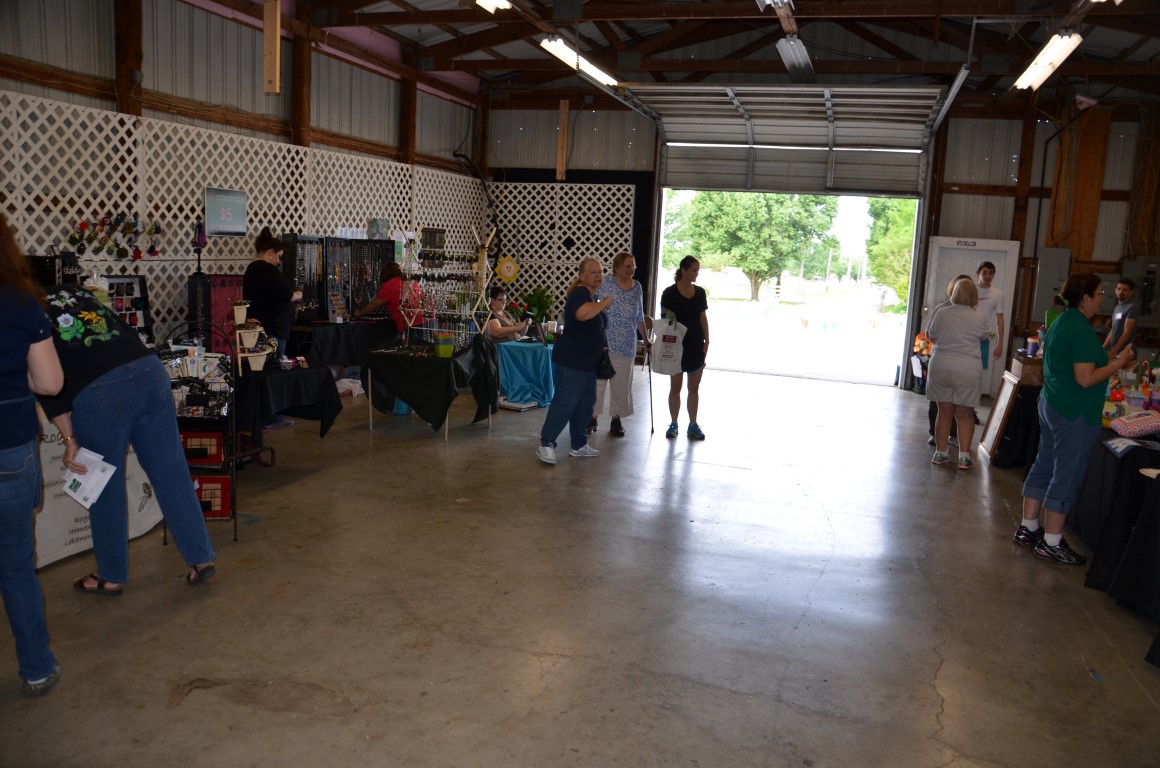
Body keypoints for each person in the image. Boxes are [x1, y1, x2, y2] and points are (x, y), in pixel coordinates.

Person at [38, 284, 218, 594]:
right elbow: (123, 331)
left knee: (104, 484)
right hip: (149, 371)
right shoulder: (74, 291)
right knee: (171, 471)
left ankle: (111, 576)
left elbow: (47, 385)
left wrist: (68, 438)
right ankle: (201, 557)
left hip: (99, 389)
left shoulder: (22, 311)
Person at [1013, 274, 1136, 564]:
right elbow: (1085, 378)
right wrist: (1119, 364)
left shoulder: (1061, 321)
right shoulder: (1079, 328)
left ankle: (1028, 526)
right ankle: (1052, 541)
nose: (1103, 298)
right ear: (1086, 298)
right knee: (1066, 474)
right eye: (1100, 293)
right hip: (1074, 411)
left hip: (1053, 402)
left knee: (1044, 464)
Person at [0, 214, 65, 697]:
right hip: (10, 447)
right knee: (16, 563)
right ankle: (37, 667)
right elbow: (50, 383)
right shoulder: (21, 303)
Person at [537, 258, 611, 465]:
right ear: (581, 276)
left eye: (600, 271)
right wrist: (605, 302)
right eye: (593, 272)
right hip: (572, 361)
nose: (598, 275)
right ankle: (546, 443)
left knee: (585, 404)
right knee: (565, 403)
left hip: (587, 363)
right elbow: (582, 314)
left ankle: (578, 444)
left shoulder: (591, 297)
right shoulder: (580, 294)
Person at [926, 278, 990, 469]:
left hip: (941, 365)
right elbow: (985, 336)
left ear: (953, 293)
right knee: (965, 414)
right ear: (974, 296)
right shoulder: (979, 316)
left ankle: (940, 453)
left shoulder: (941, 312)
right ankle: (963, 457)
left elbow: (931, 336)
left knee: (944, 411)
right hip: (967, 369)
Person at [590, 252, 648, 438]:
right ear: (616, 267)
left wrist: (646, 339)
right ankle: (592, 417)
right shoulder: (605, 283)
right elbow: (591, 306)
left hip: (626, 344)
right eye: (627, 266)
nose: (632, 269)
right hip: (603, 343)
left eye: (633, 266)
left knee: (622, 385)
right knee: (598, 383)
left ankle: (616, 420)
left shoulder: (637, 287)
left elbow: (640, 317)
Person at [660, 256, 710, 440]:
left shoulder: (700, 292)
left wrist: (707, 340)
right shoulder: (669, 293)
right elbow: (664, 318)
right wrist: (670, 318)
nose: (697, 273)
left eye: (698, 270)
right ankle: (673, 423)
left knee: (694, 388)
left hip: (695, 344)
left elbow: (702, 317)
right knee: (675, 387)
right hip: (675, 345)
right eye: (694, 270)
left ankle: (693, 424)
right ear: (684, 270)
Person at [925, 274, 971, 446]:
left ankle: (954, 436)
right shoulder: (941, 308)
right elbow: (929, 333)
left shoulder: (973, 311)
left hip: (960, 363)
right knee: (939, 403)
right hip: (944, 360)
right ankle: (935, 434)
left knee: (960, 403)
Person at [243, 227, 301, 360]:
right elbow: (287, 294)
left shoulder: (252, 269)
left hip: (262, 327)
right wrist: (298, 294)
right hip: (273, 330)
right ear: (271, 252)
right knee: (274, 364)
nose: (278, 262)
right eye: (279, 256)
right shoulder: (268, 270)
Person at [352, 262, 425, 341]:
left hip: (409, 323)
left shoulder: (390, 284)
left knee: (411, 345)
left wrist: (359, 313)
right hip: (425, 320)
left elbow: (373, 304)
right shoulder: (411, 282)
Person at [975, 261, 1004, 367]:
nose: (988, 276)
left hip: (984, 338)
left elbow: (1000, 320)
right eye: (984, 273)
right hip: (966, 337)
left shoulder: (998, 294)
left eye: (991, 273)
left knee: (980, 370)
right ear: (978, 274)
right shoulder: (969, 288)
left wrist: (1000, 344)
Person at [1102, 277, 1137, 356]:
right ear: (1115, 290)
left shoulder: (1131, 308)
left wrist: (1115, 350)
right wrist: (1103, 348)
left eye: (1125, 290)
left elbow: (1127, 331)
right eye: (1119, 289)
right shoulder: (1117, 307)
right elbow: (1113, 330)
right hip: (1115, 351)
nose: (1121, 292)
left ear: (1131, 292)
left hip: (1126, 352)